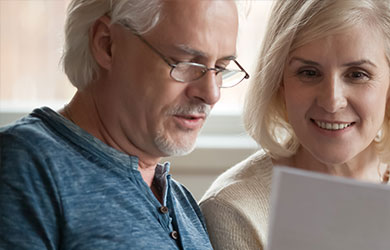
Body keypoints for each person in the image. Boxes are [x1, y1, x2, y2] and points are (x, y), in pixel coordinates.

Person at [199, 0, 390, 249]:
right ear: (279, 81)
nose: (332, 101)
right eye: (308, 73)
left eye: (357, 74)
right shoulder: (235, 210)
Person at [0, 0, 249, 249]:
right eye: (185, 63)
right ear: (107, 44)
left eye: (220, 68)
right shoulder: (23, 165)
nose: (211, 94)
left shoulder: (182, 203)